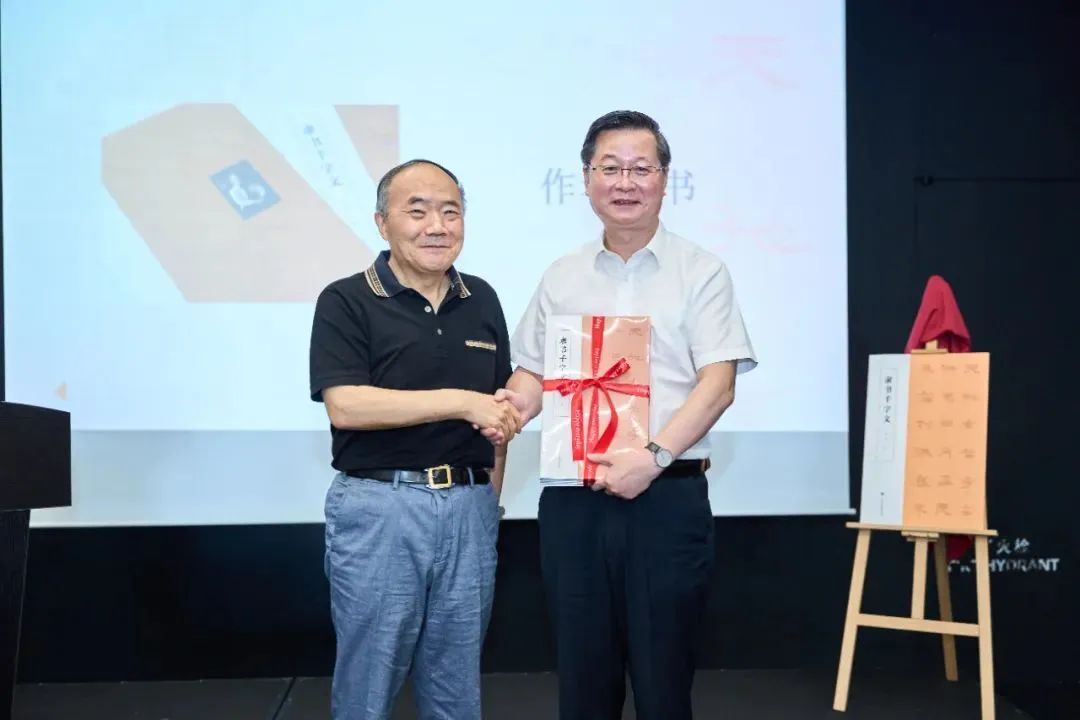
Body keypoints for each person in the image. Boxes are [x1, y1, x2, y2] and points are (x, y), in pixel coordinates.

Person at [499, 111, 758, 720]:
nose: (625, 182)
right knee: (582, 684)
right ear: (586, 179)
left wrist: (654, 457)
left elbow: (718, 384)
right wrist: (511, 406)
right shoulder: (561, 275)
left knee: (663, 683)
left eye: (640, 169)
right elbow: (534, 371)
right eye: (609, 168)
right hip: (573, 502)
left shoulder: (701, 272)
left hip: (665, 500)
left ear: (665, 178)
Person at [308, 159, 520, 720]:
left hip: (470, 509)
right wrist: (460, 401)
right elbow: (346, 405)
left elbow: (498, 415)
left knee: (456, 688)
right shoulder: (346, 299)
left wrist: (488, 504)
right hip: (382, 508)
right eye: (417, 211)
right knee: (369, 686)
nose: (437, 226)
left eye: (451, 212)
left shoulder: (482, 299)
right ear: (382, 223)